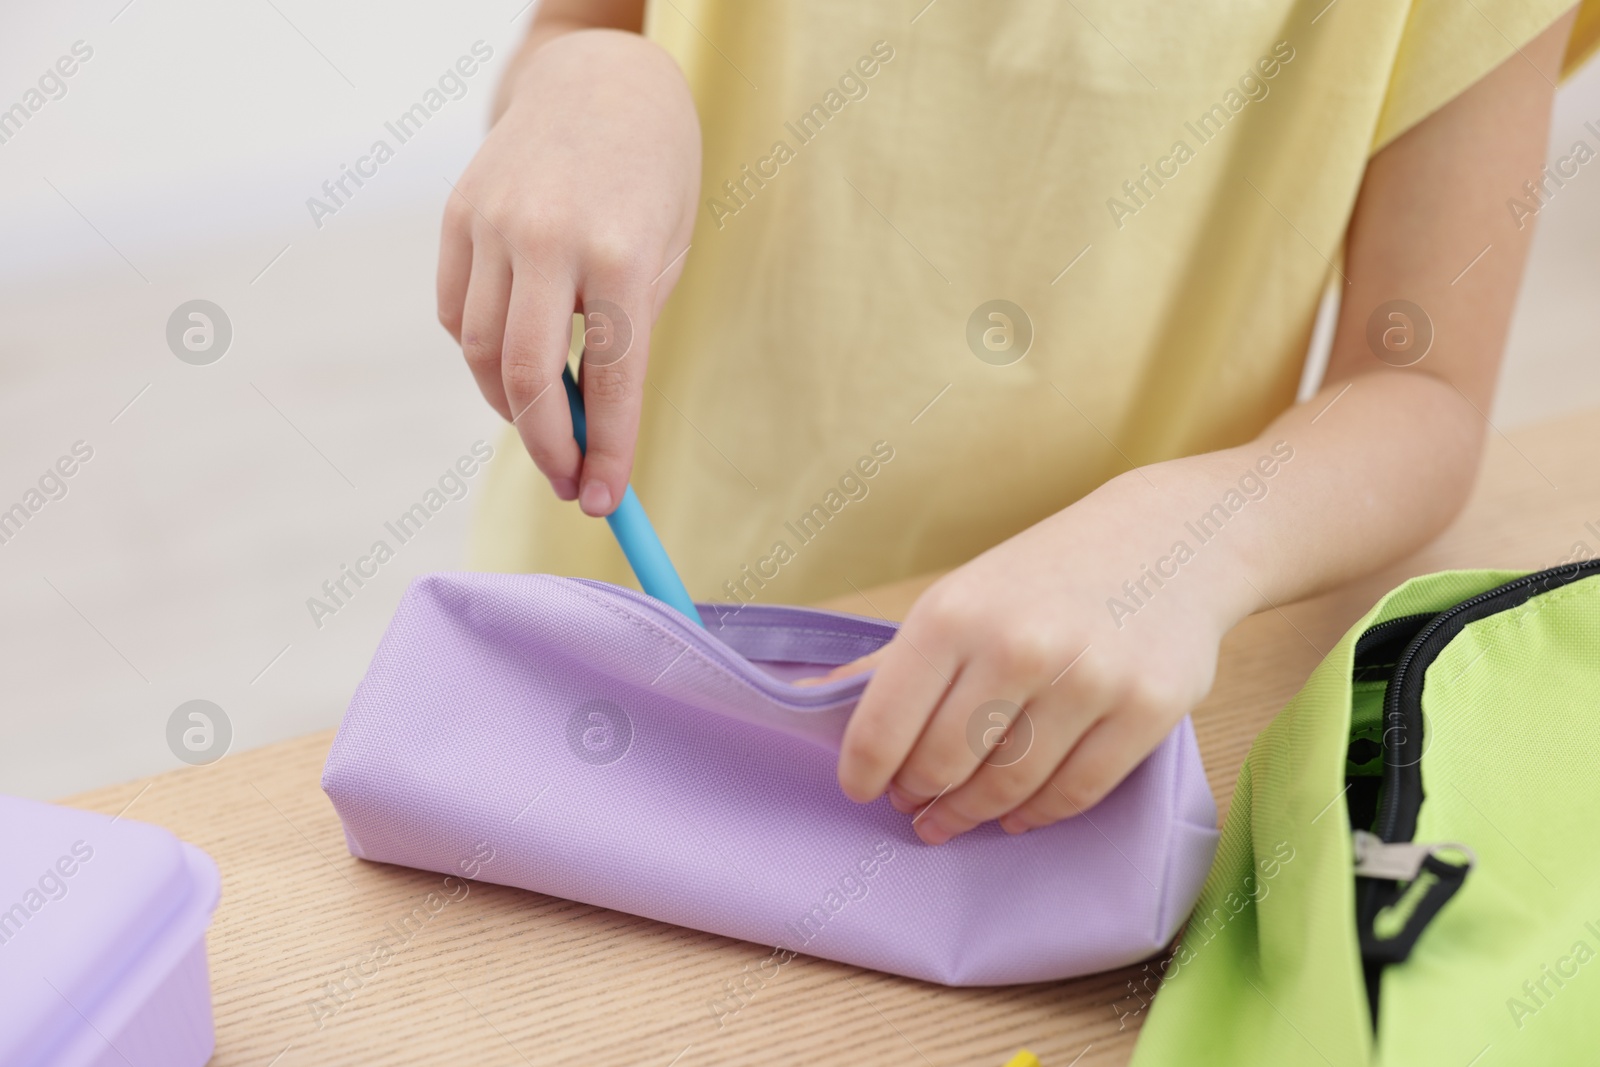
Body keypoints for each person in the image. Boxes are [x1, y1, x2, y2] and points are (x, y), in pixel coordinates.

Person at [437, 0, 1596, 846]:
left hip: (1043, 742)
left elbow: (1421, 387)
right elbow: (578, 28)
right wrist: (584, 72)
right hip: (596, 648)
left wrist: (1196, 537)